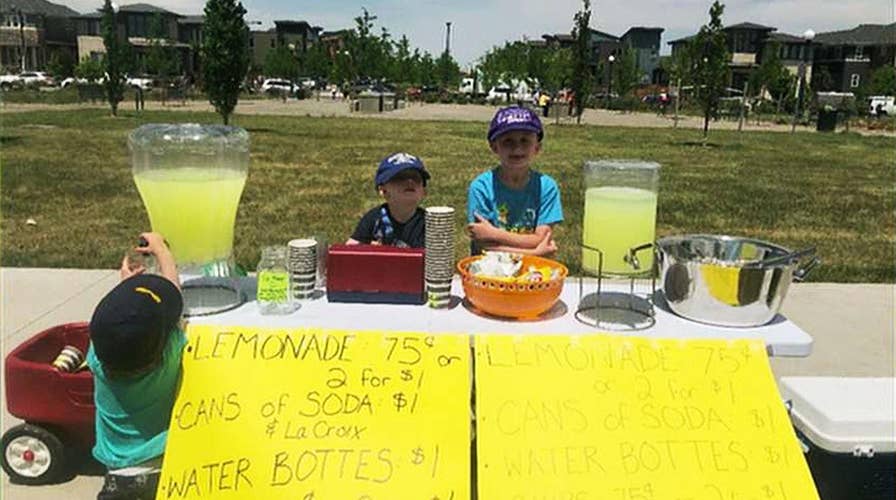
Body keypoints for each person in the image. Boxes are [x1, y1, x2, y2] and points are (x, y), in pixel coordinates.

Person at [88, 232, 184, 500]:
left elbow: (117, 326)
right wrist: (163, 252)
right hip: (162, 469)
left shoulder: (97, 359)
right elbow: (176, 302)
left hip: (117, 476)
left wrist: (126, 291)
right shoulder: (169, 358)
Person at [467, 105, 563, 256]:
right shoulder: (481, 187)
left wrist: (495, 234)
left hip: (533, 272)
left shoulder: (546, 187)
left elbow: (542, 239)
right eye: (508, 141)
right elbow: (484, 245)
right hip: (488, 270)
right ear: (494, 147)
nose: (517, 149)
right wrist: (535, 251)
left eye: (525, 140)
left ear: (537, 147)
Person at [347, 152, 430, 248]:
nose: (409, 181)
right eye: (400, 178)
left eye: (416, 178)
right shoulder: (374, 219)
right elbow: (349, 249)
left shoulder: (427, 223)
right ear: (383, 190)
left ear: (424, 192)